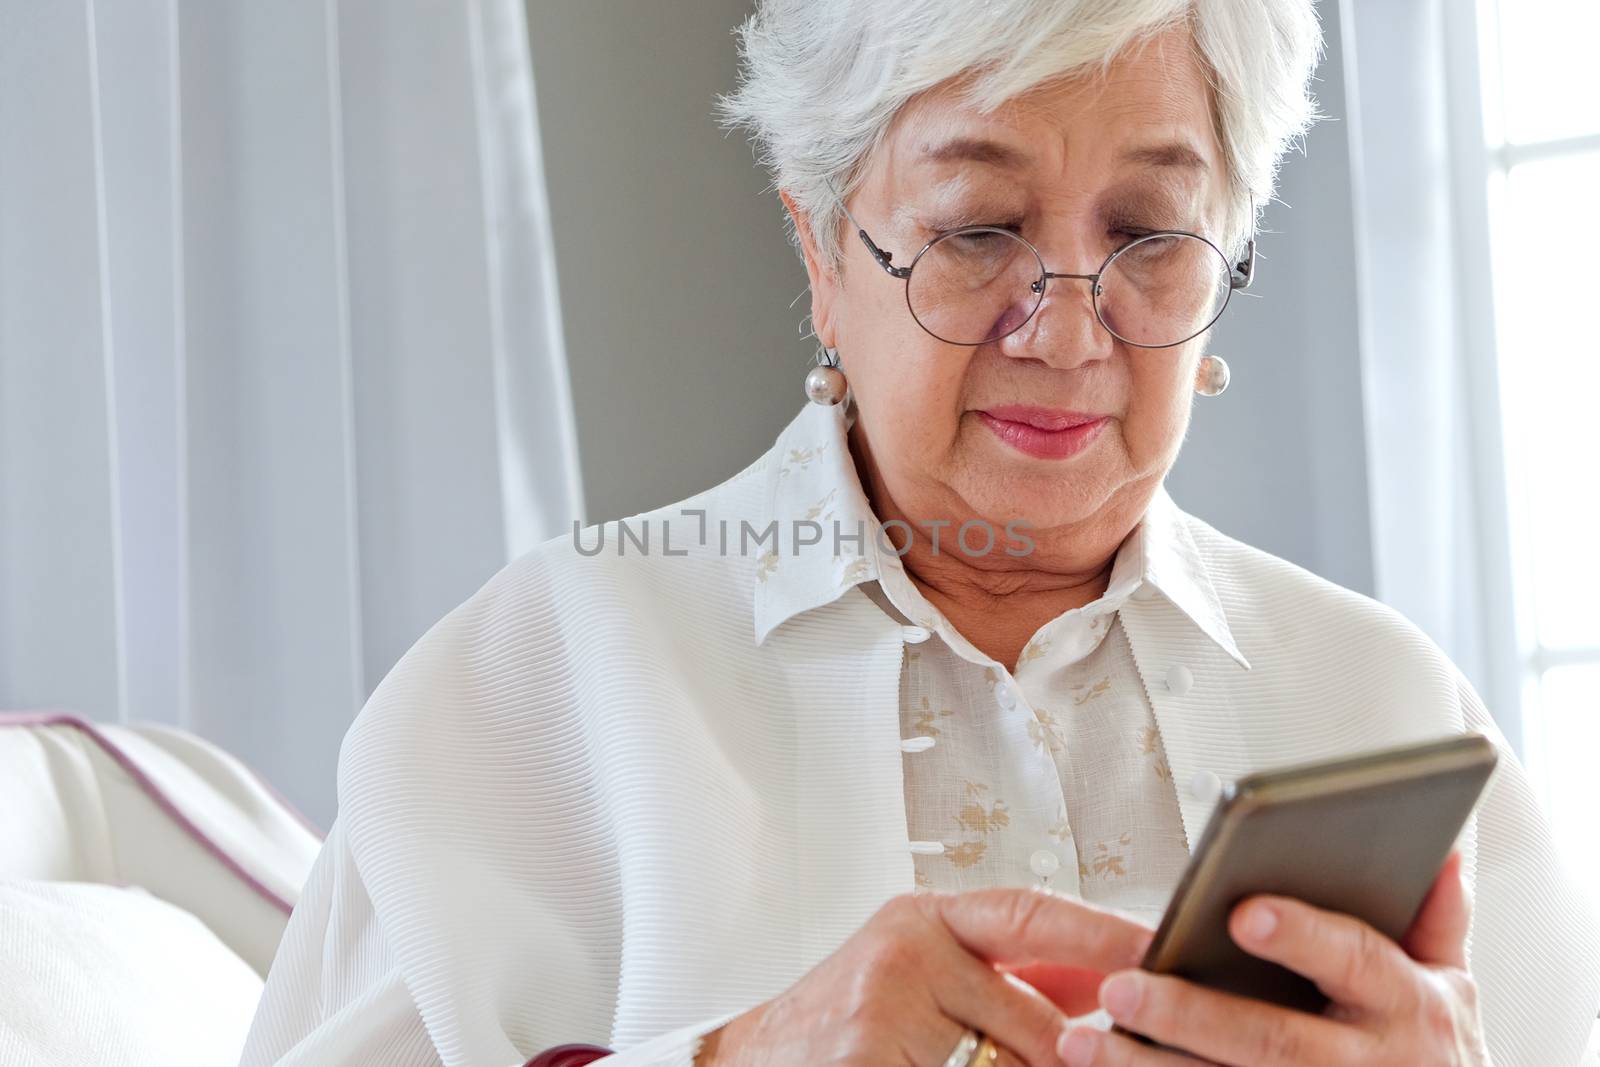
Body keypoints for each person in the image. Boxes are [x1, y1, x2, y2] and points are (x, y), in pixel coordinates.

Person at [241, 2, 1600, 1065]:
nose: (1069, 333)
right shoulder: (538, 684)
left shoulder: (1383, 705)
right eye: (979, 230)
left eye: (1150, 232)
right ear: (822, 253)